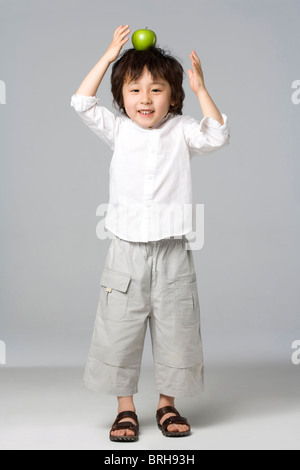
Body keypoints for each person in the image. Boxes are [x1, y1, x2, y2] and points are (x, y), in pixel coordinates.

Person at [71, 25, 230, 442]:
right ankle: (125, 409)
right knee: (118, 327)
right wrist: (108, 57)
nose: (145, 99)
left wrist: (200, 89)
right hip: (125, 250)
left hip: (173, 250)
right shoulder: (118, 129)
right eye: (134, 90)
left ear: (172, 97)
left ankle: (167, 404)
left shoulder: (182, 129)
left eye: (156, 90)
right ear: (121, 97)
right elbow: (82, 102)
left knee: (177, 327)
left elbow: (219, 134)